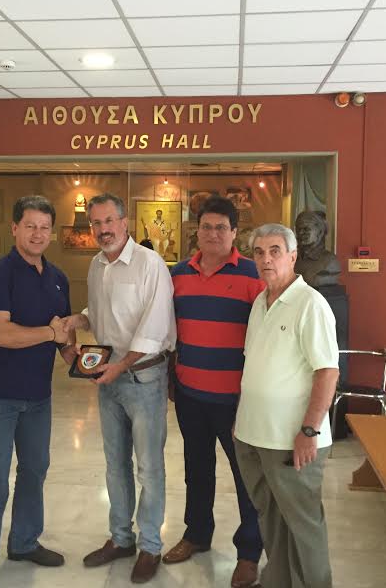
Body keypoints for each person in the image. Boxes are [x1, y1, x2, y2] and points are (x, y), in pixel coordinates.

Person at [63, 193, 176, 584]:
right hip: (108, 378)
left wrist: (121, 367)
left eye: (109, 220)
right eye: (96, 223)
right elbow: (100, 312)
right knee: (115, 465)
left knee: (149, 468)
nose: (103, 229)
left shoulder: (150, 264)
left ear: (125, 222)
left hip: (143, 379)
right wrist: (78, 320)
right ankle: (121, 539)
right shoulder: (97, 265)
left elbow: (155, 326)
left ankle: (150, 546)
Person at [0, 195, 75, 587]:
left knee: (35, 470)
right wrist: (50, 333)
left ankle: (24, 542)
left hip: (38, 396)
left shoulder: (58, 278)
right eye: (30, 226)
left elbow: (64, 335)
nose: (37, 234)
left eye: (44, 227)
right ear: (14, 228)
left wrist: (80, 356)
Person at [166, 195, 265, 588]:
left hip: (235, 401)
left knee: (246, 479)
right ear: (197, 231)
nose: (212, 234)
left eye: (221, 227)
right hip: (190, 395)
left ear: (235, 232)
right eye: (206, 227)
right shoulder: (178, 274)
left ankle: (249, 553)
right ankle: (197, 534)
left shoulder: (253, 275)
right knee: (197, 470)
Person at [234, 223, 339, 588]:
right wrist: (241, 421)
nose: (266, 259)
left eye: (275, 251)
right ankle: (277, 580)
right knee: (271, 519)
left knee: (304, 525)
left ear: (293, 256)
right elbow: (256, 367)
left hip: (292, 440)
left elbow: (327, 372)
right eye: (259, 252)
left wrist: (309, 430)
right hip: (253, 434)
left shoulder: (311, 304)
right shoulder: (260, 303)